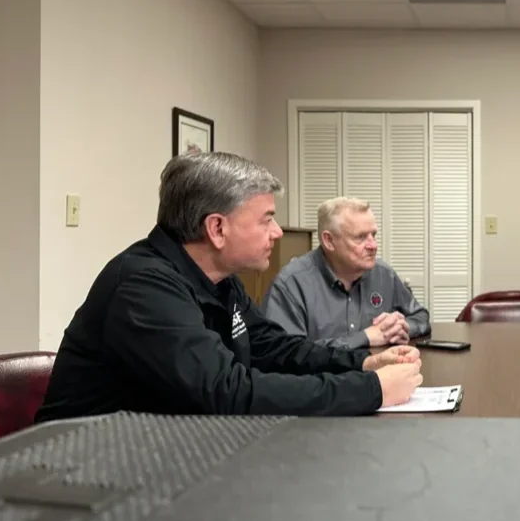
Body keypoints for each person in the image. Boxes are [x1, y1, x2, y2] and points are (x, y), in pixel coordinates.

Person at [34, 152, 423, 423]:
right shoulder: (143, 287)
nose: (276, 232)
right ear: (217, 228)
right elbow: (227, 393)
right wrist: (370, 389)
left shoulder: (219, 280)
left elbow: (273, 348)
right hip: (81, 474)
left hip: (156, 454)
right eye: (266, 219)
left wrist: (362, 363)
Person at [262, 197, 431, 351]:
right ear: (329, 241)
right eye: (361, 237)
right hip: (321, 381)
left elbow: (420, 316)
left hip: (379, 376)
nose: (373, 245)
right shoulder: (291, 284)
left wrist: (402, 327)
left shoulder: (383, 274)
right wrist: (365, 337)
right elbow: (286, 354)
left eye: (373, 235)